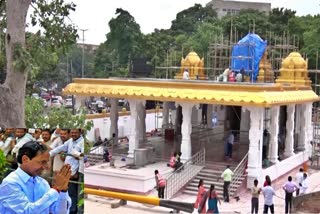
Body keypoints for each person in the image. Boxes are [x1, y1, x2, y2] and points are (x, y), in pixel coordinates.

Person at [0, 141, 72, 213]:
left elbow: (60, 212)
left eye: (47, 162)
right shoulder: (10, 183)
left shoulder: (43, 183)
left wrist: (63, 190)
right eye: (42, 162)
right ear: (25, 159)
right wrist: (56, 189)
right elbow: (27, 211)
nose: (46, 166)